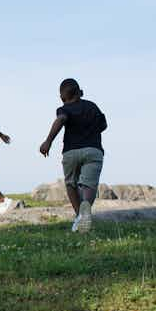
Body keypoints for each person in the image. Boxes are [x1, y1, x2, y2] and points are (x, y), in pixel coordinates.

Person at [39, 78, 108, 233]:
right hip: (93, 150)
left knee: (71, 183)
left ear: (62, 97)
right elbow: (104, 125)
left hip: (71, 152)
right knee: (88, 184)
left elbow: (61, 120)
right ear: (80, 92)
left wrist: (48, 141)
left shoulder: (64, 109)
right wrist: (90, 131)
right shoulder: (92, 106)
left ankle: (79, 216)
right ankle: (85, 209)